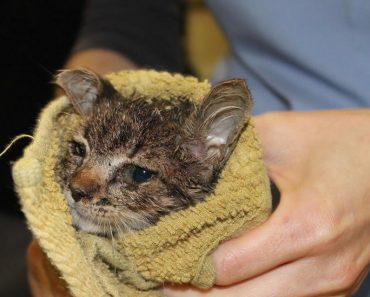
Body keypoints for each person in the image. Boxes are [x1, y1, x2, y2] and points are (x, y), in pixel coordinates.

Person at [28, 1, 370, 296]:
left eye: (138, 172)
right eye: (80, 151)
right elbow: (131, 14)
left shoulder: (193, 156)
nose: (80, 185)